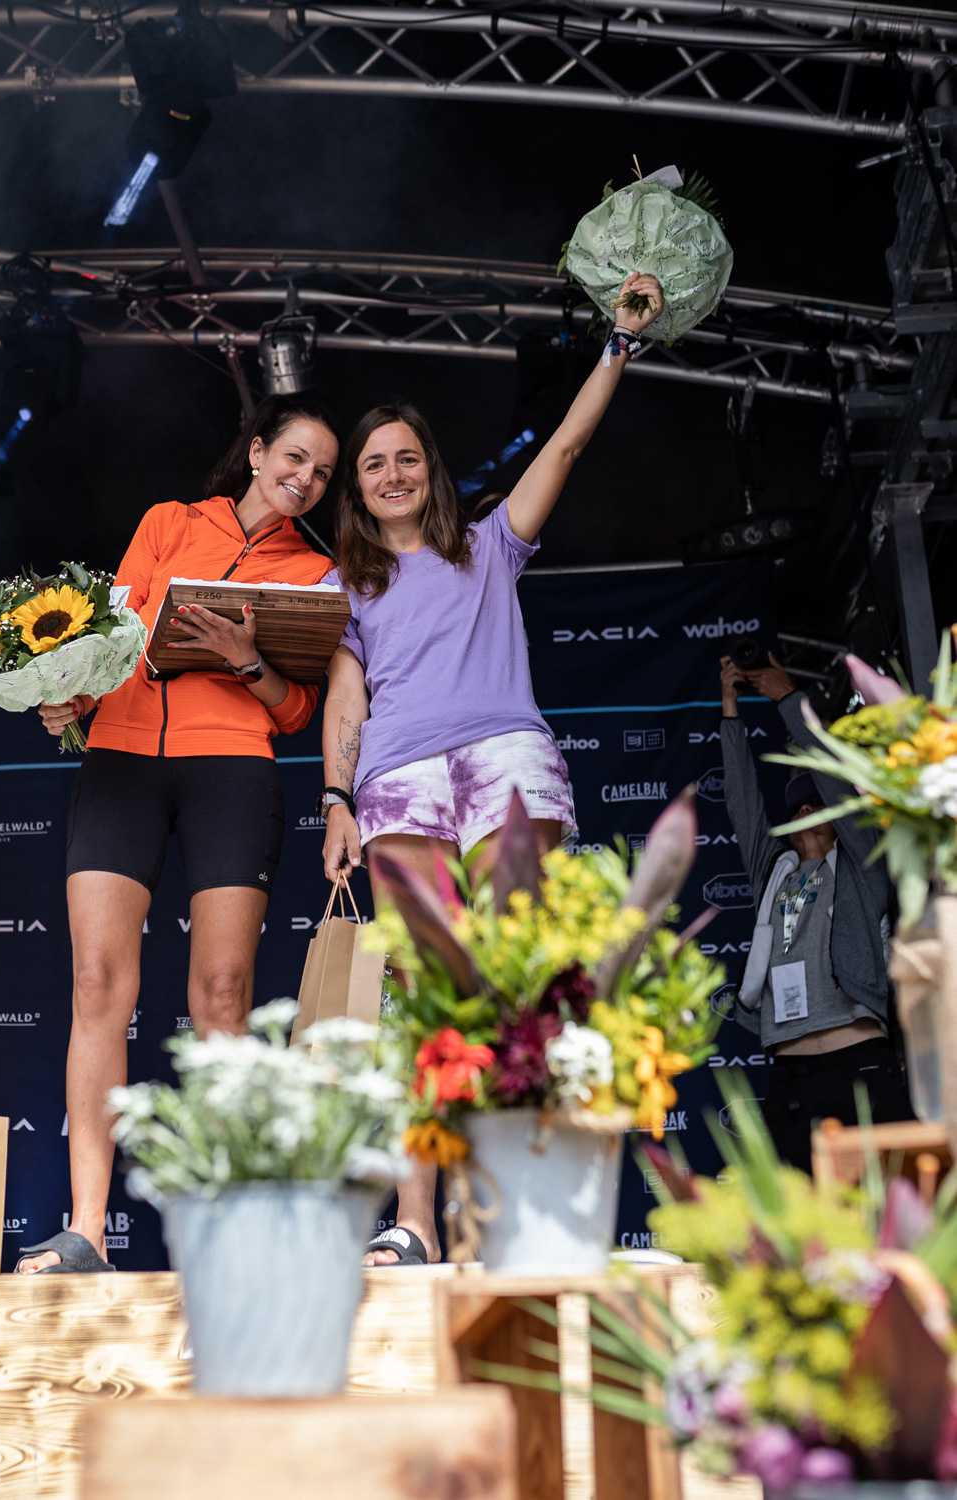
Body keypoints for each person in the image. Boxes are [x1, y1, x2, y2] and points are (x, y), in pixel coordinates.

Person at [318, 274, 663, 1265]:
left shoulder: (490, 542)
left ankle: (514, 1212)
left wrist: (618, 344)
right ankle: (418, 1222)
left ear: (431, 470)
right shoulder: (346, 586)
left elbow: (566, 445)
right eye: (374, 464)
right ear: (357, 488)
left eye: (406, 458)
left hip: (506, 760)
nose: (391, 474)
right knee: (422, 998)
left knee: (522, 981)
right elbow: (345, 701)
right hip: (397, 784)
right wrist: (334, 799)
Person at [16, 395, 340, 1273]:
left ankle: (230, 1235)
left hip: (231, 769)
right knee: (97, 984)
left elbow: (298, 709)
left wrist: (246, 660)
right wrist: (72, 698)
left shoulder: (314, 571)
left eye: (321, 472)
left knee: (224, 996)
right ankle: (88, 1229)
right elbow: (111, 635)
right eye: (295, 457)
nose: (305, 479)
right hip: (121, 759)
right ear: (258, 451)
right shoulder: (170, 522)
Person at [720, 651, 913, 1173]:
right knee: (799, 1215)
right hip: (792, 1076)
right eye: (797, 806)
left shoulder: (861, 866)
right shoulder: (775, 874)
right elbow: (743, 805)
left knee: (888, 1204)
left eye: (816, 804)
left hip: (860, 1064)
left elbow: (837, 788)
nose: (806, 809)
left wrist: (789, 700)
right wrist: (730, 710)